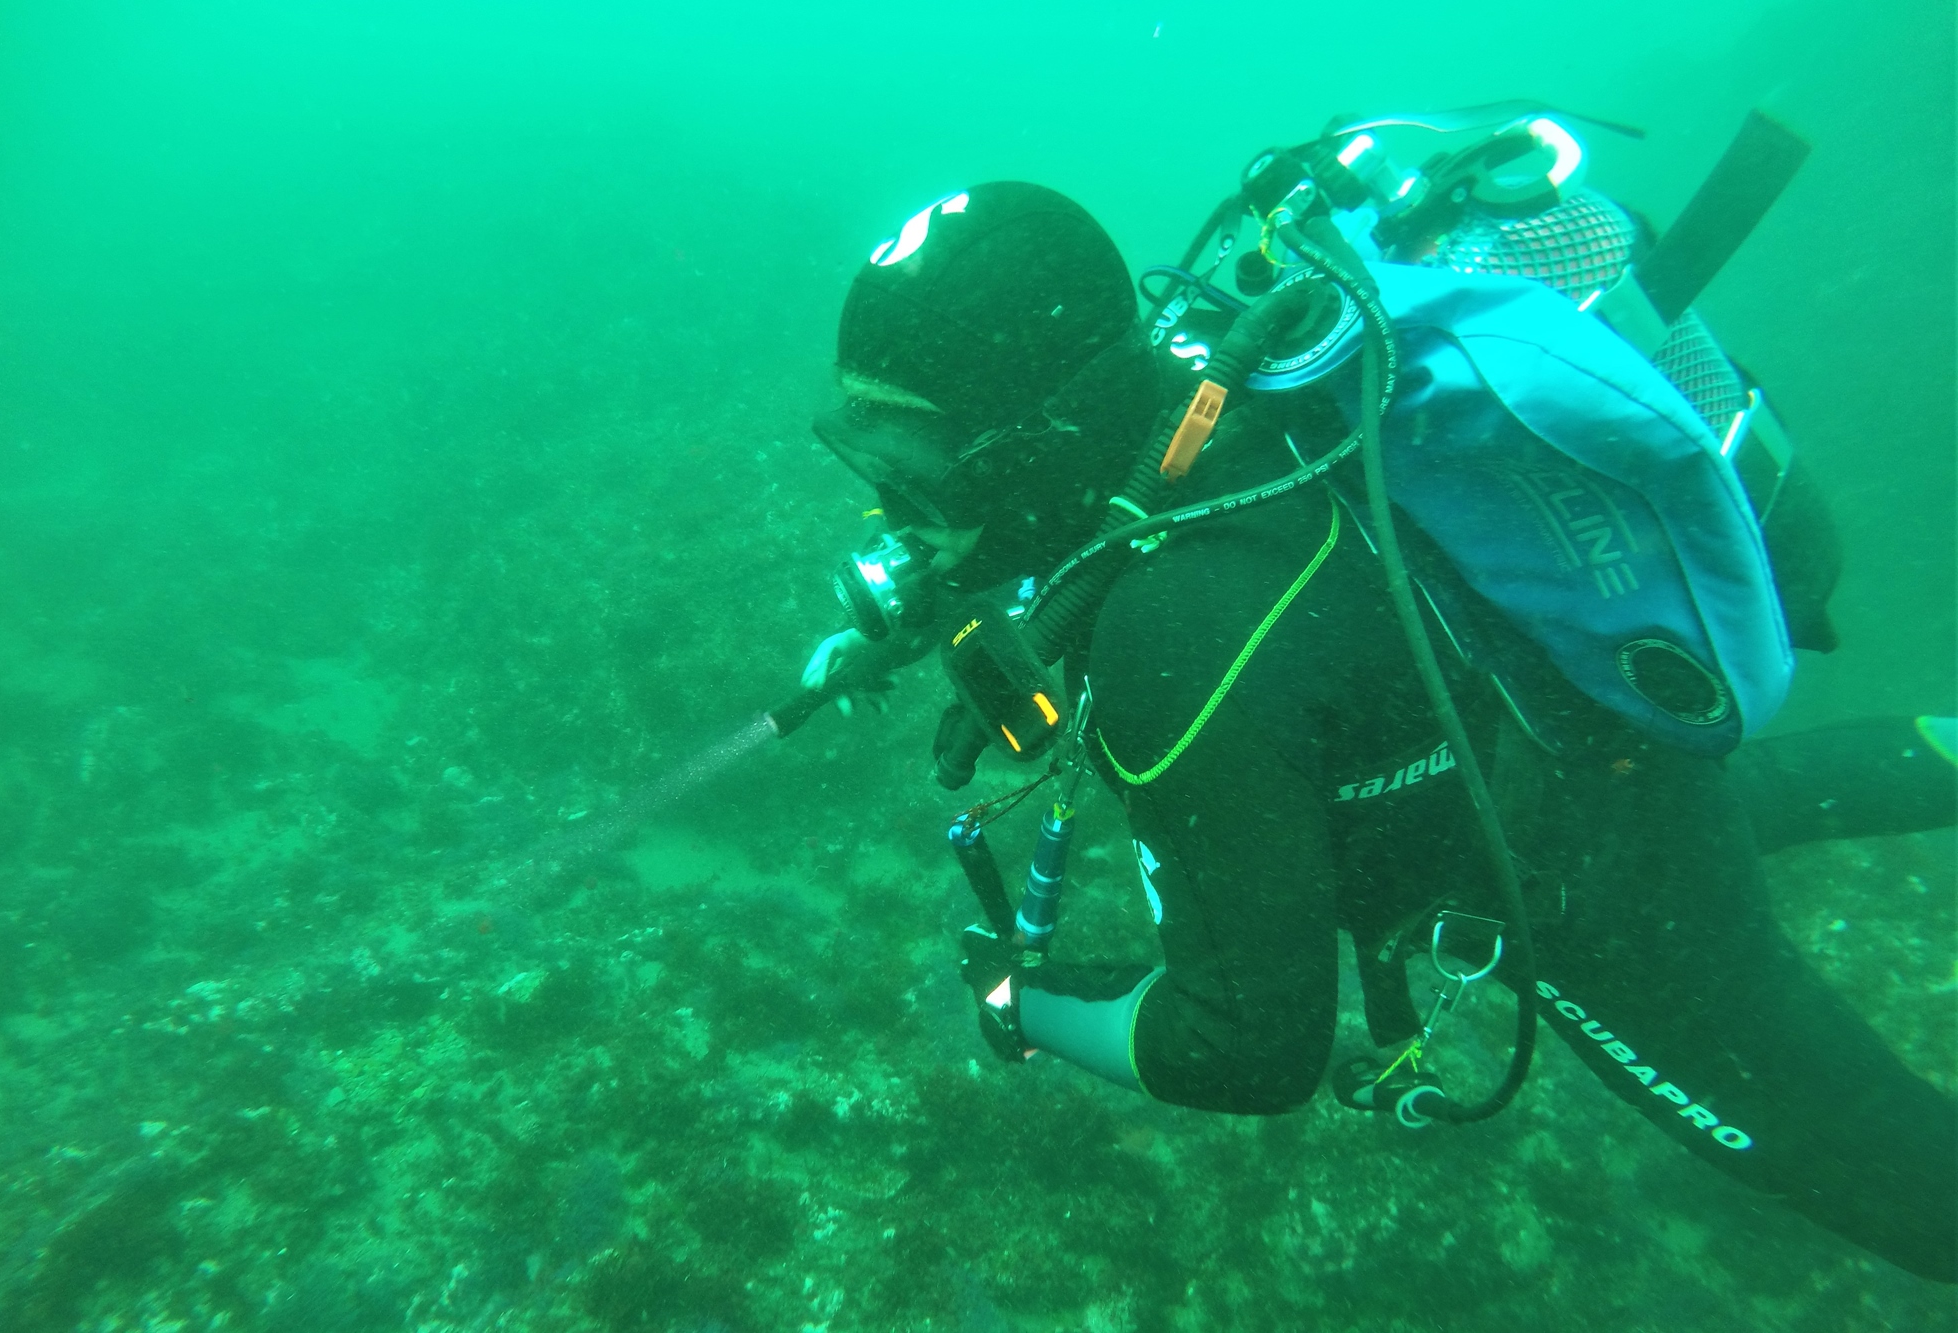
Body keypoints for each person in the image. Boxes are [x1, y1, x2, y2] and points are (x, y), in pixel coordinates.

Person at [794, 167, 1957, 1282]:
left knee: (1853, 1153)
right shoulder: (1218, 389)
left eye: (912, 470)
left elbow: (1246, 1046)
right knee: (1720, 808)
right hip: (1583, 743)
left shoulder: (1172, 640)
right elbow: (1052, 531)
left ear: (1035, 442)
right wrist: (910, 614)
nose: (890, 513)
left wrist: (1016, 997)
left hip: (1577, 880)